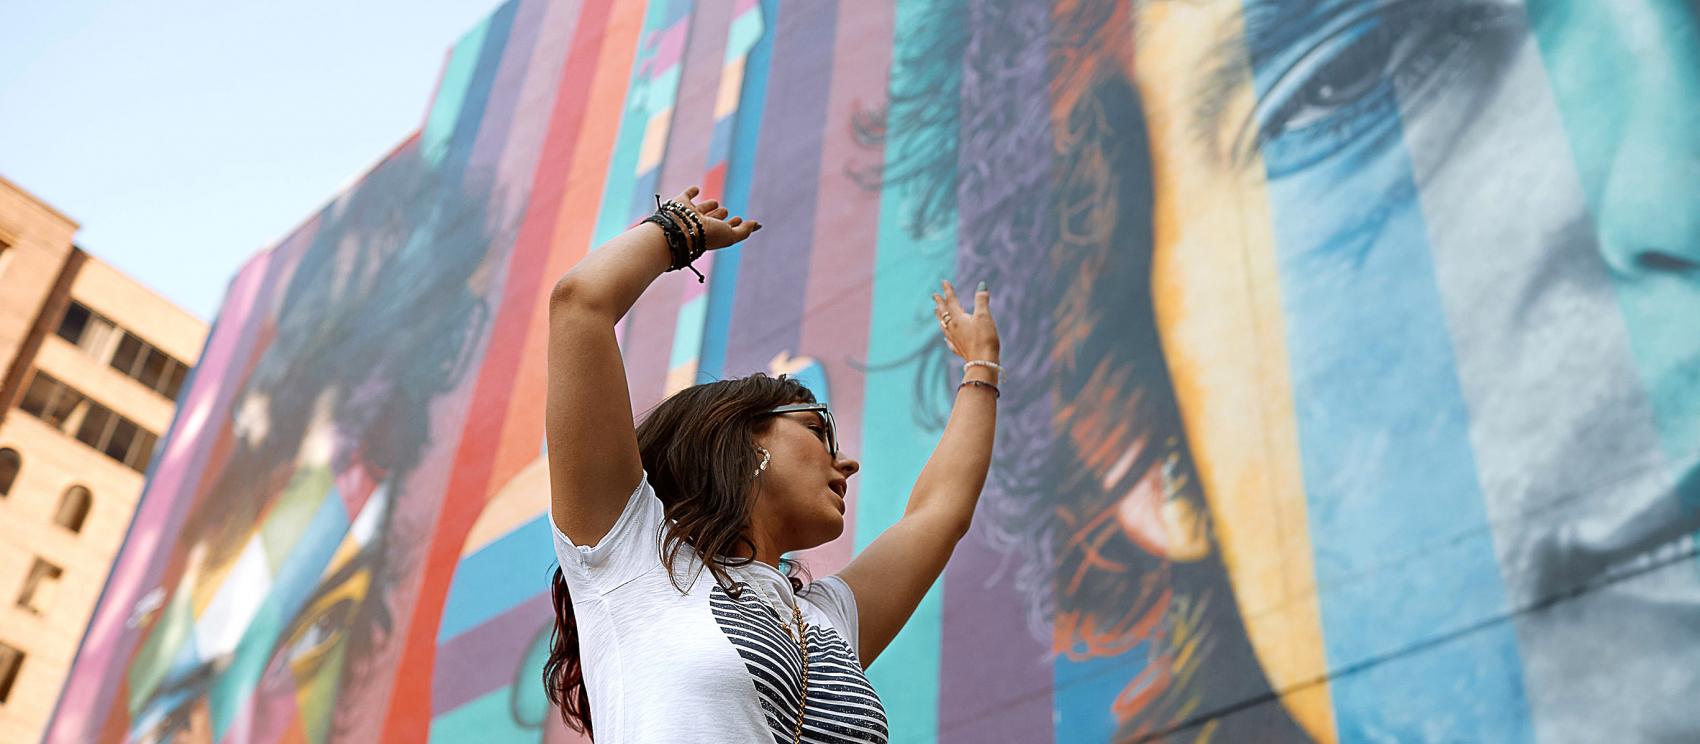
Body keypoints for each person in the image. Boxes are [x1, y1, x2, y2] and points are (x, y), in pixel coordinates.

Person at [540, 185, 1002, 743]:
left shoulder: (825, 623)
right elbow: (579, 304)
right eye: (818, 431)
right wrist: (676, 231)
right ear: (743, 438)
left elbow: (939, 513)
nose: (847, 462)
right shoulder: (630, 558)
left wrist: (982, 366)